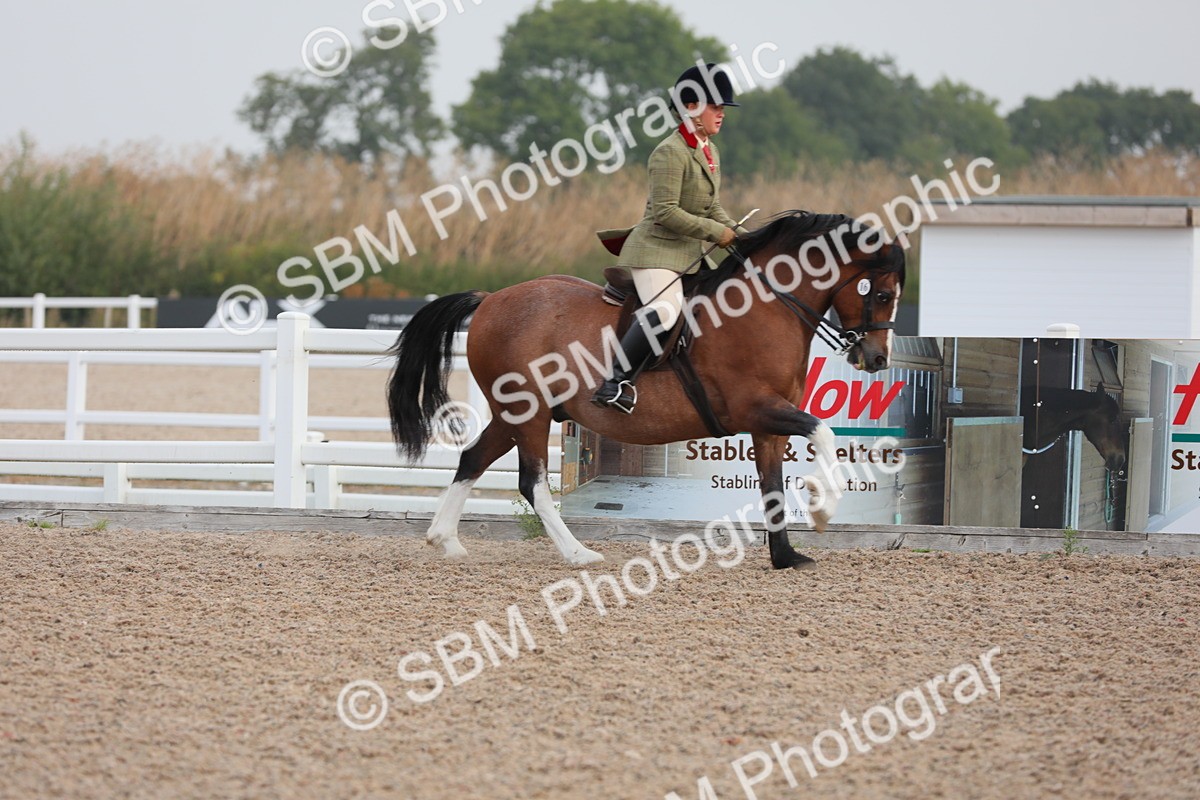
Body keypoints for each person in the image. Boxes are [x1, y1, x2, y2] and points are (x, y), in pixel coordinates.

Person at [592, 63, 747, 414]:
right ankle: (613, 382)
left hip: (689, 253)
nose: (722, 114)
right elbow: (666, 212)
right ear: (691, 108)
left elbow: (712, 207)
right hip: (656, 252)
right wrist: (715, 232)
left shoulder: (709, 150)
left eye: (723, 108)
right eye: (715, 106)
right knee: (664, 311)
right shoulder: (669, 152)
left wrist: (739, 234)